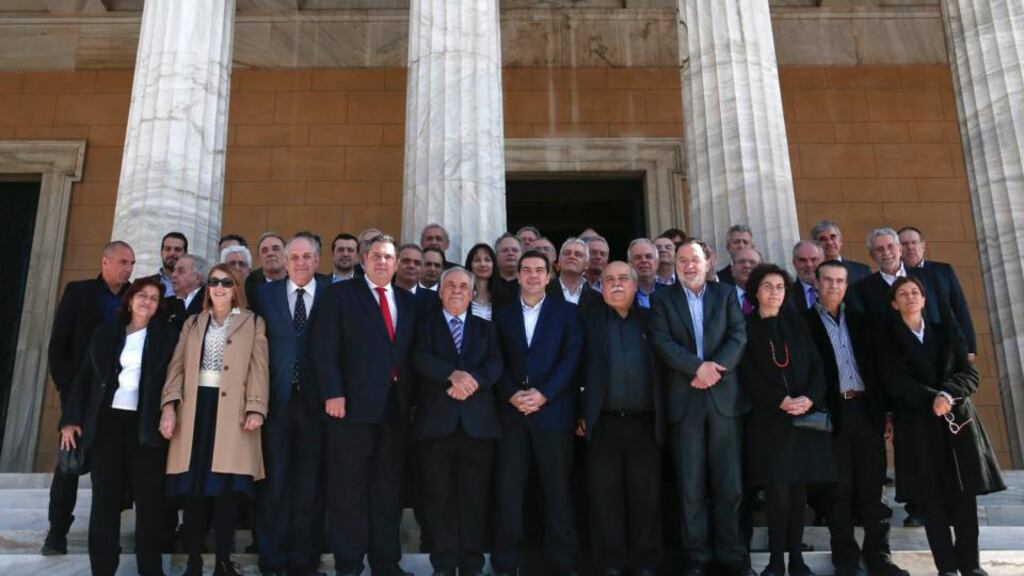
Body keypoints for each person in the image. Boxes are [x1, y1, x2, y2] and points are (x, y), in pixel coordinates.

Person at [880, 277, 1004, 576]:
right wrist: (932, 399)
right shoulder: (886, 340)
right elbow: (893, 383)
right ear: (895, 303)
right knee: (931, 501)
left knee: (964, 499)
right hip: (917, 428)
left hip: (957, 424)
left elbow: (969, 374)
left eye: (915, 292)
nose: (910, 297)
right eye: (902, 294)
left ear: (923, 300)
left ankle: (971, 566)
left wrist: (948, 394)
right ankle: (947, 569)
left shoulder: (945, 332)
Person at [313, 234, 420, 576]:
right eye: (376, 256)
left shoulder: (409, 301)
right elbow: (323, 348)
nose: (383, 262)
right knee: (349, 491)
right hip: (350, 409)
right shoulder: (339, 295)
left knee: (387, 491)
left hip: (395, 410)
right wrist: (333, 392)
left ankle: (386, 563)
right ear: (363, 260)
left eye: (389, 257)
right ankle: (349, 563)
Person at [59, 277, 177, 576]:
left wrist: (169, 409)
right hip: (107, 425)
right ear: (130, 299)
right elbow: (85, 378)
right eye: (142, 295)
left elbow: (176, 380)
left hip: (146, 427)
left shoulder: (167, 336)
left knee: (150, 505)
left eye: (153, 297)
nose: (147, 301)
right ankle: (102, 569)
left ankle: (150, 570)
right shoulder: (106, 333)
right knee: (105, 504)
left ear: (158, 305)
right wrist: (71, 420)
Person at [649, 240, 752, 576]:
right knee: (689, 486)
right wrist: (697, 367)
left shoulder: (725, 296)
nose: (688, 266)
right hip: (685, 401)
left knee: (730, 485)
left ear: (708, 263)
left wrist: (714, 368)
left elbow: (738, 336)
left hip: (723, 401)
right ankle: (697, 557)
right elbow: (662, 341)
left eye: (694, 260)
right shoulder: (662, 298)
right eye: (682, 261)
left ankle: (732, 554)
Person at [160, 264, 269, 576]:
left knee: (226, 492)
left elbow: (259, 368)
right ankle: (193, 562)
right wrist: (169, 406)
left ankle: (223, 562)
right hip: (195, 411)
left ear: (236, 288)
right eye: (213, 282)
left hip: (233, 414)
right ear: (207, 288)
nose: (219, 287)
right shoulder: (193, 323)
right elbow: (177, 366)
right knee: (194, 491)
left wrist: (256, 408)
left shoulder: (253, 322)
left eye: (226, 282)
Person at [803, 261, 908, 576]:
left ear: (847, 285)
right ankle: (846, 560)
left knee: (873, 489)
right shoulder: (802, 323)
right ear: (817, 284)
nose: (834, 286)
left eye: (840, 281)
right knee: (838, 490)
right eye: (828, 281)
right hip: (832, 415)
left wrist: (888, 412)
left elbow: (880, 370)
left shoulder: (864, 322)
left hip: (867, 411)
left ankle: (879, 557)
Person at [739, 264, 837, 576]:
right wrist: (779, 400)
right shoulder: (745, 326)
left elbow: (818, 368)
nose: (774, 292)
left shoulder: (797, 325)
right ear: (756, 291)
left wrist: (809, 398)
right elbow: (746, 374)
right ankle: (775, 561)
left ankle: (797, 559)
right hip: (768, 422)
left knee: (798, 494)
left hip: (803, 419)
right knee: (777, 492)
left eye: (780, 287)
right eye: (768, 286)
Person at [492, 250, 583, 576]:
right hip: (511, 414)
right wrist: (511, 393)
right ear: (518, 276)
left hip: (553, 413)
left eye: (539, 270)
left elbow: (571, 359)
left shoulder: (567, 313)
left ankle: (563, 562)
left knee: (558, 491)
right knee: (509, 491)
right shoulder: (500, 315)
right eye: (526, 270)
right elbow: (494, 359)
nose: (532, 275)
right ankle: (506, 562)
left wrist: (544, 394)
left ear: (549, 276)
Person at [43, 240, 135, 555]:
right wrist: (71, 397)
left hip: (118, 399)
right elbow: (59, 347)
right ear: (105, 262)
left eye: (132, 263)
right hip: (81, 398)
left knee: (110, 474)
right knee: (69, 466)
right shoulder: (79, 292)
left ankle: (106, 536)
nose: (128, 268)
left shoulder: (135, 297)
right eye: (123, 261)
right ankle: (56, 532)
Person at [412, 266, 503, 576]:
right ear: (440, 292)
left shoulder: (485, 328)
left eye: (463, 286)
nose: (456, 290)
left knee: (475, 500)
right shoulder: (424, 326)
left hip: (477, 428)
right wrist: (451, 375)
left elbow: (495, 365)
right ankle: (443, 564)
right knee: (438, 500)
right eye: (449, 285)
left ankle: (472, 565)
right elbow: (419, 357)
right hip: (437, 426)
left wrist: (470, 382)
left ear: (472, 294)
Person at [579, 261, 663, 576]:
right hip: (603, 422)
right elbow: (576, 366)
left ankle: (645, 563)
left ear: (635, 284)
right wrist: (580, 412)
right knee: (605, 497)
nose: (616, 284)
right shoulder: (588, 321)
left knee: (646, 496)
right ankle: (610, 563)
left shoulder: (652, 320)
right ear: (600, 286)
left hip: (645, 422)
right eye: (609, 280)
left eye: (622, 279)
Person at [251, 235, 328, 576]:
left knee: (309, 486)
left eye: (306, 256)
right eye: (293, 256)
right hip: (276, 403)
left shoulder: (333, 295)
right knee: (275, 483)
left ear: (317, 260)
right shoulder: (263, 295)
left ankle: (303, 559)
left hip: (317, 406)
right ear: (283, 260)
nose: (299, 262)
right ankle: (271, 557)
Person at [898, 226, 977, 360]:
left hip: (948, 344)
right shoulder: (895, 277)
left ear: (923, 246)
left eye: (914, 242)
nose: (910, 247)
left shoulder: (943, 271)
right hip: (910, 348)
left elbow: (959, 307)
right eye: (904, 244)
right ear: (898, 249)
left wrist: (970, 348)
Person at [810, 221, 870, 285]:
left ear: (840, 241)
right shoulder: (811, 272)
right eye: (823, 239)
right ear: (816, 244)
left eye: (833, 237)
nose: (829, 243)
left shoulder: (861, 271)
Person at [548, 237, 598, 309]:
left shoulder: (598, 299)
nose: (572, 256)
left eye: (578, 254)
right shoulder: (542, 291)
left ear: (587, 264)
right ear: (559, 261)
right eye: (567, 253)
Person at [163, 254, 207, 331]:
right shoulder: (165, 304)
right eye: (174, 270)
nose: (173, 275)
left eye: (181, 271)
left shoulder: (210, 302)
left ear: (197, 278)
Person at [464, 243, 505, 320]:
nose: (483, 264)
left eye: (487, 260)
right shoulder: (462, 296)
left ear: (494, 265)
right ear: (470, 265)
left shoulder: (503, 297)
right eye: (477, 260)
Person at [246, 232, 288, 302]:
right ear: (259, 258)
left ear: (287, 254)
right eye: (264, 251)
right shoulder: (251, 289)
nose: (270, 253)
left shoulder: (299, 283)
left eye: (275, 249)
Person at [785, 241, 824, 314]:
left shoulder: (836, 289)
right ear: (794, 263)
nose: (809, 265)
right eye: (802, 260)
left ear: (822, 261)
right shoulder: (786, 295)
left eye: (813, 259)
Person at [627, 238, 662, 308]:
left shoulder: (671, 292)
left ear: (657, 263)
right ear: (630, 264)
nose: (643, 260)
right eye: (638, 257)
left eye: (648, 256)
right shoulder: (624, 294)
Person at [152, 231, 188, 297]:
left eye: (177, 249)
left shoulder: (197, 287)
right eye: (167, 249)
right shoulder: (141, 284)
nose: (172, 253)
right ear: (161, 253)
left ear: (185, 254)